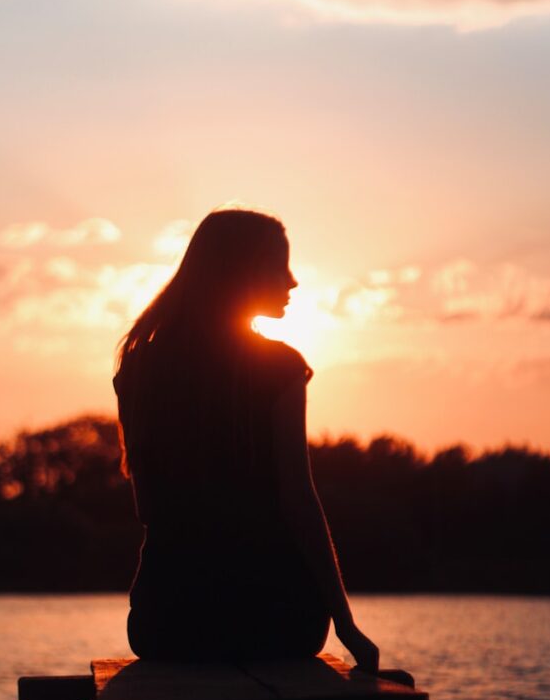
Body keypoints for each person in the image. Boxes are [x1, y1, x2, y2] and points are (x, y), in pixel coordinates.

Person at [113, 208, 379, 671]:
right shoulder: (279, 368)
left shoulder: (140, 366)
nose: (293, 281)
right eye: (280, 266)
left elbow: (149, 505)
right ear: (242, 271)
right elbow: (299, 500)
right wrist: (346, 624)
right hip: (277, 622)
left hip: (164, 623)